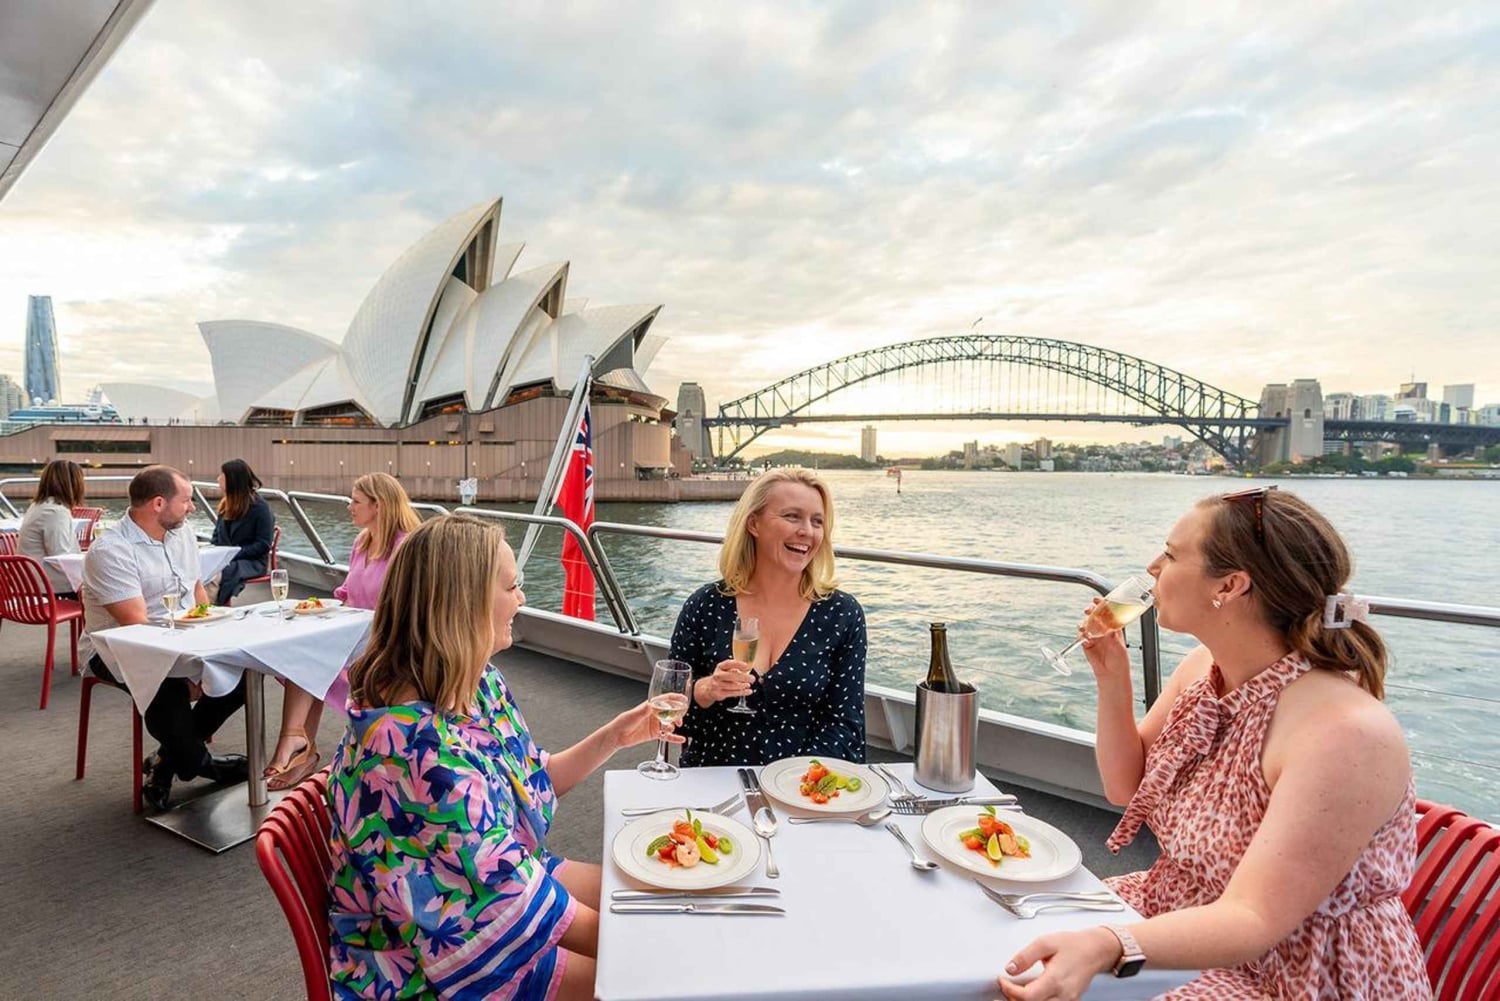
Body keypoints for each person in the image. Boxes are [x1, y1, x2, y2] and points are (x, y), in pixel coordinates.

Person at [998, 488, 1428, 1000]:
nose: (1153, 567)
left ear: (1230, 585)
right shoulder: (1203, 670)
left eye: (1172, 554)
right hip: (1181, 913)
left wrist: (1108, 943)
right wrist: (1113, 680)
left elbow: (1254, 917)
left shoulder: (1345, 733)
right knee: (999, 943)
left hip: (1291, 971)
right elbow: (1124, 788)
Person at [326, 514, 679, 1000]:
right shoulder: (408, 749)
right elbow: (508, 902)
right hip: (422, 963)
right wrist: (654, 949)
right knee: (656, 973)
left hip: (494, 887)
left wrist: (616, 736)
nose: (522, 599)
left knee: (656, 891)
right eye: (512, 586)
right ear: (462, 604)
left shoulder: (475, 684)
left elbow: (531, 782)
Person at [669, 468, 866, 767]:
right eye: (791, 516)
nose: (807, 531)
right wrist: (706, 690)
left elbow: (846, 726)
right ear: (753, 524)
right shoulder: (706, 605)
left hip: (802, 788)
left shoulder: (842, 614)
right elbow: (671, 717)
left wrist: (794, 782)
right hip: (713, 780)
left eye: (817, 521)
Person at [82, 465, 248, 812]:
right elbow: (137, 628)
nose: (192, 508)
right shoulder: (111, 551)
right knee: (167, 689)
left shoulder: (182, 533)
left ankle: (166, 761)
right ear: (158, 503)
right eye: (186, 500)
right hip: (119, 650)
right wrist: (187, 670)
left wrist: (214, 637)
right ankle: (199, 764)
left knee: (245, 672)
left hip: (183, 639)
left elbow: (196, 588)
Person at [262, 471, 419, 790]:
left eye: (356, 501)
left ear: (378, 506)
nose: (349, 506)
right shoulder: (364, 542)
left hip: (386, 640)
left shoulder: (406, 547)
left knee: (310, 658)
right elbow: (348, 591)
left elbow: (408, 606)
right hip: (353, 632)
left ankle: (296, 747)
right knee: (305, 652)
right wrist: (325, 609)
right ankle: (297, 744)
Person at [16, 458, 86, 599]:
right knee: (106, 590)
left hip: (29, 579)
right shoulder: (55, 512)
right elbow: (61, 557)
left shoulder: (39, 506)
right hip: (48, 583)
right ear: (74, 484)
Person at [208, 458, 275, 605]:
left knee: (214, 574)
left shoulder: (260, 508)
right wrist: (215, 553)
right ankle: (202, 608)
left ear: (232, 480)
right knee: (202, 568)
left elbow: (263, 545)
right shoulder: (226, 505)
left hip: (251, 562)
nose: (218, 479)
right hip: (225, 558)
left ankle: (211, 608)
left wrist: (231, 554)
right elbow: (216, 536)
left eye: (222, 475)